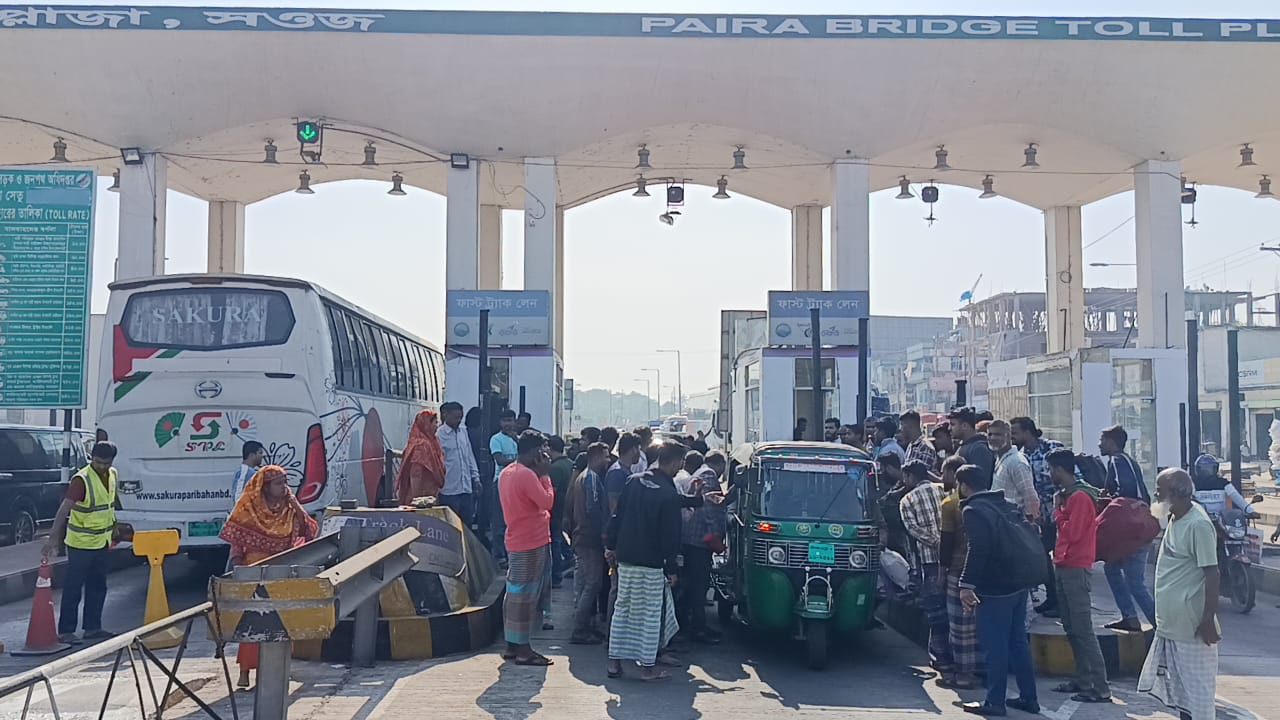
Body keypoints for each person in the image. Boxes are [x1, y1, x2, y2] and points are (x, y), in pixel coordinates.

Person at [220, 465, 319, 688]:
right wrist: (238, 570)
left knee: (282, 622)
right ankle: (245, 671)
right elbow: (237, 540)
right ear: (265, 487)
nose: (284, 488)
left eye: (285, 483)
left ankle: (278, 671)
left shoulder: (289, 507)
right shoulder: (250, 506)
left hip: (282, 570)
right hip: (254, 570)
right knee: (252, 622)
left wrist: (296, 505)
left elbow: (310, 531)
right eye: (278, 483)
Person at [956, 464, 1039, 717]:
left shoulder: (973, 510)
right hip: (1018, 583)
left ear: (964, 486)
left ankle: (994, 702)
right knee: (1017, 643)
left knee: (995, 646)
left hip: (994, 588)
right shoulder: (1006, 504)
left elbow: (978, 549)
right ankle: (1029, 698)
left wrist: (966, 585)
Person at [1138, 468, 1222, 720]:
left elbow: (1212, 573)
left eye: (1159, 490)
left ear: (1174, 493)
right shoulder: (1177, 518)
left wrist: (1207, 619)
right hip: (1172, 625)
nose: (1155, 495)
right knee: (1183, 698)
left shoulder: (1198, 524)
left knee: (1199, 698)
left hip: (1191, 626)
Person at [606, 442, 685, 682]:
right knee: (650, 614)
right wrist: (672, 568)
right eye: (680, 464)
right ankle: (647, 668)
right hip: (652, 563)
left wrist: (610, 545)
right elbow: (671, 537)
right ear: (674, 462)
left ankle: (614, 663)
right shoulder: (668, 494)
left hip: (626, 558)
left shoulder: (633, 481)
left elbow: (617, 516)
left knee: (623, 608)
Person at [1046, 449, 1111, 703]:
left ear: (1059, 470)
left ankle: (1100, 686)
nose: (1049, 474)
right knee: (1071, 628)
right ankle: (1083, 679)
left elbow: (1072, 533)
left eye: (1051, 470)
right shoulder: (1068, 496)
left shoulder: (1080, 498)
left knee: (1083, 630)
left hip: (1076, 566)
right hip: (1064, 563)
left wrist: (1058, 512)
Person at [45, 441, 126, 645]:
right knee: (74, 587)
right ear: (92, 458)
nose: (101, 466)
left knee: (98, 586)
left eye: (106, 463)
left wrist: (114, 527)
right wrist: (53, 538)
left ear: (112, 461)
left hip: (102, 541)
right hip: (80, 543)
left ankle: (93, 628)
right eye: (98, 462)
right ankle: (66, 631)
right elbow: (64, 509)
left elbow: (109, 504)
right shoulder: (81, 480)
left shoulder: (113, 474)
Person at [499, 431, 556, 666]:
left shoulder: (507, 472)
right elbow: (547, 502)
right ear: (535, 453)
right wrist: (545, 476)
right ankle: (524, 649)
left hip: (517, 539)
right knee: (526, 595)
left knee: (515, 593)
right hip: (531, 541)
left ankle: (513, 644)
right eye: (543, 451)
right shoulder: (528, 475)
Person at [1010, 416, 1065, 616]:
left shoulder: (1052, 448)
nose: (1012, 437)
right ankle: (1052, 597)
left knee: (1060, 559)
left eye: (1015, 433)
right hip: (1040, 517)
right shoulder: (1020, 456)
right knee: (1042, 557)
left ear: (1027, 432)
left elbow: (1072, 477)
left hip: (1060, 513)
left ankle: (1063, 603)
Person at [899, 460, 949, 673]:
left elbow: (913, 530)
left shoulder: (907, 500)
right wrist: (948, 543)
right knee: (952, 609)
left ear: (910, 477)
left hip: (930, 561)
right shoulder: (944, 490)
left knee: (936, 611)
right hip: (953, 559)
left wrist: (937, 542)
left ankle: (941, 657)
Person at [938, 455, 980, 690]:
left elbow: (946, 543)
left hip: (959, 569)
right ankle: (982, 669)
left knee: (961, 626)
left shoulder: (951, 504)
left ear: (961, 483)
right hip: (987, 572)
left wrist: (941, 573)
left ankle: (964, 674)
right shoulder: (994, 501)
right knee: (982, 624)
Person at [676, 450, 727, 644]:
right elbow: (708, 507)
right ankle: (697, 628)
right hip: (700, 539)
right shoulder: (709, 474)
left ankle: (694, 624)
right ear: (720, 463)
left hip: (691, 538)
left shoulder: (698, 473)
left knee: (693, 583)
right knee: (699, 584)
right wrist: (716, 533)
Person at [564, 442, 610, 644]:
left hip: (583, 537)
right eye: (605, 456)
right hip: (589, 539)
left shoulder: (584, 477)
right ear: (596, 456)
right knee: (593, 584)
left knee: (586, 584)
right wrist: (604, 536)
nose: (608, 460)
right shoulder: (590, 478)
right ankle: (580, 629)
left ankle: (585, 625)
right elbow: (593, 510)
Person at [1096, 492, 1160, 632]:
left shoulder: (1103, 522)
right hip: (1141, 529)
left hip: (1134, 535)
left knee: (1135, 583)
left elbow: (1101, 551)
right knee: (1111, 569)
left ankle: (1159, 626)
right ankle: (1130, 617)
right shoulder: (1113, 510)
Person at [437, 402, 481, 527]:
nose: (458, 421)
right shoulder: (439, 435)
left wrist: (476, 478)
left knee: (467, 525)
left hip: (465, 488)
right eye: (456, 417)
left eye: (460, 417)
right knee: (451, 525)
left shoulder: (463, 432)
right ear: (446, 415)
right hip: (449, 489)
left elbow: (469, 456)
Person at [988, 420, 1040, 522]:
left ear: (1008, 436)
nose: (992, 438)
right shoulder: (1000, 458)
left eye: (998, 434)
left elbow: (1030, 497)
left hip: (1015, 523)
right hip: (1001, 521)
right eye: (990, 434)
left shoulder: (1017, 462)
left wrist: (1029, 524)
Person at [395, 410, 446, 504]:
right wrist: (417, 500)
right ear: (426, 424)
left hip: (430, 495)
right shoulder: (421, 445)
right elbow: (416, 473)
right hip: (421, 497)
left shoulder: (433, 441)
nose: (437, 426)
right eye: (435, 422)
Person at [489, 409, 520, 561]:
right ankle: (499, 554)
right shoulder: (496, 439)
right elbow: (500, 460)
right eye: (504, 421)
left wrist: (518, 441)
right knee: (499, 520)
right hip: (501, 482)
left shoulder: (519, 440)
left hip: (518, 483)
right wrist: (520, 461)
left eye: (510, 420)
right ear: (500, 423)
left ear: (515, 422)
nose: (507, 424)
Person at [547, 436, 576, 585]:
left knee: (555, 542)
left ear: (550, 448)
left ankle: (556, 575)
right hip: (568, 508)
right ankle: (570, 561)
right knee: (563, 538)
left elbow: (552, 491)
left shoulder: (554, 468)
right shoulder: (570, 464)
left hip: (556, 508)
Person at [466, 407, 496, 542]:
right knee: (484, 503)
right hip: (482, 471)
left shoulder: (465, 433)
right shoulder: (482, 435)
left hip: (469, 472)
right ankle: (482, 530)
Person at [1100, 425, 1150, 503]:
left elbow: (1126, 490)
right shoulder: (1128, 460)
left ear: (1111, 443)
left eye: (1102, 440)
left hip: (1130, 508)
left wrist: (1109, 500)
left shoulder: (1118, 460)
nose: (1099, 444)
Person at [949, 407, 994, 485]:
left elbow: (980, 484)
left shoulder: (979, 449)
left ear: (965, 426)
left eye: (953, 424)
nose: (949, 428)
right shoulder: (963, 446)